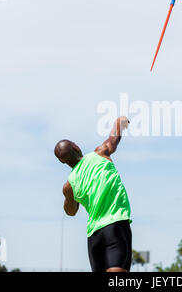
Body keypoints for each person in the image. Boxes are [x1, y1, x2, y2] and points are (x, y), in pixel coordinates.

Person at [54, 116, 132, 272]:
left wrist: (70, 197)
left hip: (94, 236)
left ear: (62, 162)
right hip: (115, 225)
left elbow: (70, 212)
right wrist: (121, 121)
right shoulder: (100, 154)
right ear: (76, 147)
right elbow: (114, 137)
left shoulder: (69, 186)